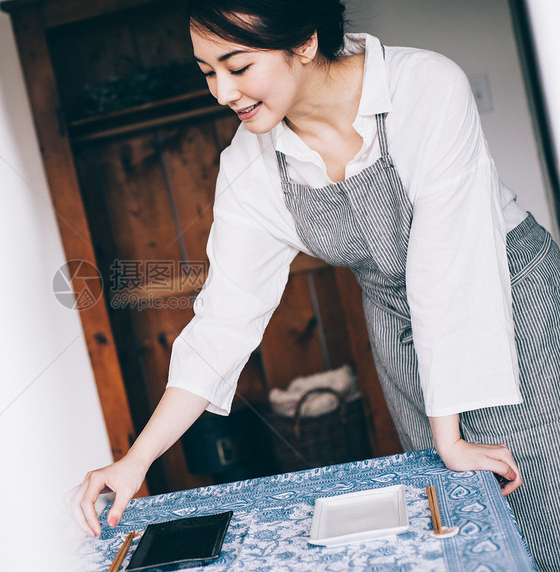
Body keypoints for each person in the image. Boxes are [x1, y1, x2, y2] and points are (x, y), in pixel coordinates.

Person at [66, 0, 560, 568]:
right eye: (208, 72)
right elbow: (224, 320)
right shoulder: (250, 166)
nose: (222, 92)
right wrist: (135, 462)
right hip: (395, 325)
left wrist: (446, 437)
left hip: (508, 296)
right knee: (447, 512)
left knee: (538, 494)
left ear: (303, 41)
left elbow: (447, 267)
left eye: (238, 66)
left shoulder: (424, 86)